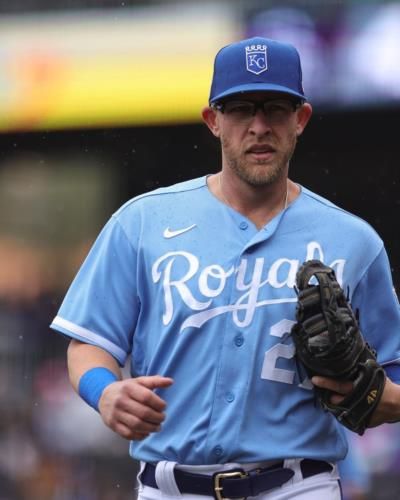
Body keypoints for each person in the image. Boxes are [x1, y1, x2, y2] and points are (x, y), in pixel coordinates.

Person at [50, 36, 400, 500]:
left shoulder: (354, 241)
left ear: (301, 119)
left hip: (299, 486)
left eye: (275, 108)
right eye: (240, 110)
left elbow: (394, 369)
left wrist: (386, 399)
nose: (258, 126)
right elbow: (89, 344)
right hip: (169, 486)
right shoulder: (141, 223)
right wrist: (104, 392)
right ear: (213, 121)